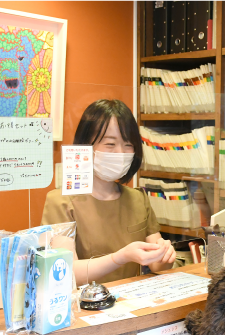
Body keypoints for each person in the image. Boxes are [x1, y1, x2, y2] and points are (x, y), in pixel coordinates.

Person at [41, 99, 176, 285]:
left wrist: (164, 255)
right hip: (84, 307)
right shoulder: (60, 201)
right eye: (110, 144)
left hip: (131, 304)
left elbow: (157, 266)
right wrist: (119, 257)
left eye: (128, 145)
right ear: (86, 146)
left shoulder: (138, 199)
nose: (121, 153)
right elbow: (64, 273)